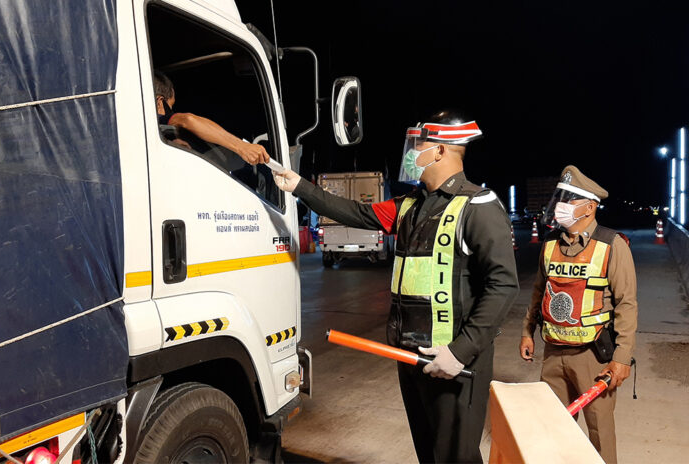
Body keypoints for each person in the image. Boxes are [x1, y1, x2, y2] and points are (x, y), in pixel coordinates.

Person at [275, 110, 519, 463]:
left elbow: (503, 286)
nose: (411, 154)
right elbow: (355, 214)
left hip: (454, 360)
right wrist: (300, 186)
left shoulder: (478, 206)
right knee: (429, 453)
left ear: (439, 151)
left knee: (456, 456)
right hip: (411, 357)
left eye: (417, 146)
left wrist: (461, 351)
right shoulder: (410, 206)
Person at [519, 165, 637, 464]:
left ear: (590, 207)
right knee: (556, 429)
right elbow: (538, 293)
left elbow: (626, 304)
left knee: (599, 433)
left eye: (569, 199)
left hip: (593, 357)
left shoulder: (612, 245)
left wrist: (621, 358)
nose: (560, 206)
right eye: (560, 198)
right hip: (553, 352)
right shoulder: (549, 245)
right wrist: (527, 331)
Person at [153, 71, 269, 165]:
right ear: (159, 102)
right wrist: (242, 147)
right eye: (170, 107)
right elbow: (186, 120)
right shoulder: (156, 121)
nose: (172, 113)